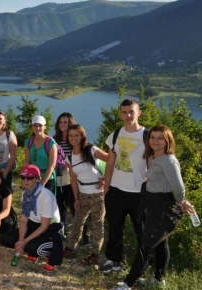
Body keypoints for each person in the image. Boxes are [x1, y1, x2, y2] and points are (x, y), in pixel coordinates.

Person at [111, 126, 193, 290]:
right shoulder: (155, 157)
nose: (155, 141)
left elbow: (179, 188)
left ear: (168, 140)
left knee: (146, 246)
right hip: (154, 205)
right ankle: (158, 278)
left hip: (163, 207)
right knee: (162, 242)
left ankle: (127, 285)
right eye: (153, 137)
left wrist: (181, 202)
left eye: (160, 138)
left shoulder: (168, 161)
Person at [99, 99, 148, 273]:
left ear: (138, 113)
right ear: (120, 114)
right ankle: (113, 261)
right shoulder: (116, 135)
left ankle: (142, 266)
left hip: (139, 193)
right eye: (124, 112)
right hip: (116, 190)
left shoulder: (147, 136)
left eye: (131, 112)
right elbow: (111, 163)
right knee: (114, 229)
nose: (128, 116)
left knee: (141, 232)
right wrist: (107, 189)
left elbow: (152, 165)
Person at [0, 165, 64, 271]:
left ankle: (49, 251)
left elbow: (44, 226)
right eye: (23, 177)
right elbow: (24, 220)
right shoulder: (26, 193)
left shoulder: (46, 196)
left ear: (37, 179)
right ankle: (30, 247)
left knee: (32, 247)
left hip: (50, 228)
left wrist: (25, 241)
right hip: (33, 224)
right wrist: (21, 240)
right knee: (5, 239)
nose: (25, 181)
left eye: (29, 178)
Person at [63, 124, 108, 265]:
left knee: (97, 225)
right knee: (77, 222)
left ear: (82, 136)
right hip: (82, 194)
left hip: (97, 194)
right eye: (71, 135)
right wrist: (76, 198)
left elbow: (111, 160)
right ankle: (71, 248)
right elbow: (73, 178)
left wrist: (106, 179)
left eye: (76, 135)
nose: (73, 138)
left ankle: (94, 253)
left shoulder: (91, 149)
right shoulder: (70, 156)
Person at [23, 115, 58, 194]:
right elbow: (27, 161)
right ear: (32, 127)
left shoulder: (50, 142)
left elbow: (52, 165)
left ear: (45, 127)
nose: (37, 128)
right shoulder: (28, 142)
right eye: (35, 125)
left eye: (40, 126)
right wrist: (26, 178)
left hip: (48, 179)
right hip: (33, 178)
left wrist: (43, 182)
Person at [52, 112, 76, 228]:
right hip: (59, 175)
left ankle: (83, 230)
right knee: (61, 203)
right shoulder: (54, 140)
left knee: (74, 203)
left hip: (73, 176)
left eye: (65, 122)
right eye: (60, 122)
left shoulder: (75, 139)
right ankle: (62, 228)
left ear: (70, 123)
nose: (62, 125)